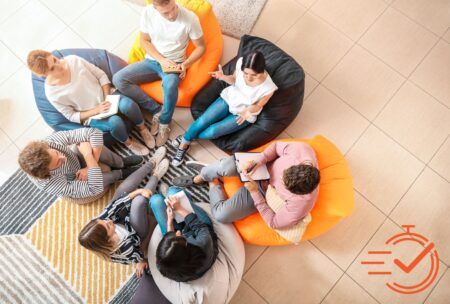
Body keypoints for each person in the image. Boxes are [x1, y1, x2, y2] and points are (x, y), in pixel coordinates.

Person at [113, 0, 206, 147]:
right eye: (165, 13)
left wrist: (185, 64)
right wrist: (161, 60)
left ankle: (164, 122)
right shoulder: (148, 12)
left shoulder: (190, 18)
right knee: (118, 79)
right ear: (155, 8)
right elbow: (144, 40)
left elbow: (201, 47)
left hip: (175, 63)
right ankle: (157, 110)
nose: (171, 15)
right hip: (152, 60)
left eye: (173, 9)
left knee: (170, 84)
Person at [27, 50, 153, 156]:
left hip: (107, 96)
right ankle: (130, 143)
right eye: (52, 68)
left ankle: (143, 129)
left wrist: (107, 96)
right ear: (44, 74)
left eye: (54, 59)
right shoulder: (52, 93)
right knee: (115, 123)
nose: (59, 65)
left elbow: (101, 75)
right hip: (92, 115)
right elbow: (71, 116)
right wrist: (97, 110)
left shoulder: (73, 60)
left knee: (128, 105)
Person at [173, 141, 320, 229]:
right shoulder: (301, 151)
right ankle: (200, 177)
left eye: (284, 183)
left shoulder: (302, 204)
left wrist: (255, 192)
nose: (279, 178)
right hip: (261, 165)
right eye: (284, 174)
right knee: (226, 167)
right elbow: (275, 147)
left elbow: (274, 223)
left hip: (264, 192)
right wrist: (259, 160)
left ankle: (213, 181)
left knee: (221, 215)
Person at [171, 51, 278, 166]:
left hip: (244, 114)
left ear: (261, 71)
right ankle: (184, 145)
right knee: (203, 121)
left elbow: (258, 105)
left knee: (213, 132)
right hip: (229, 98)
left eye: (254, 75)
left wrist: (247, 111)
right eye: (246, 73)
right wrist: (223, 77)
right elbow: (234, 80)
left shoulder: (269, 87)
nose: (248, 78)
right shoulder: (241, 62)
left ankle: (186, 136)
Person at [78, 151, 168, 277]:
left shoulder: (101, 221)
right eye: (108, 226)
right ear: (108, 239)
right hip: (137, 232)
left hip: (122, 216)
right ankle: (156, 176)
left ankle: (150, 163)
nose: (108, 221)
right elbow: (138, 255)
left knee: (122, 190)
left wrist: (138, 191)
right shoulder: (125, 249)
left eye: (103, 221)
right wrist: (141, 261)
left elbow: (116, 205)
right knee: (139, 201)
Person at [18, 128, 147, 201]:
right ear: (48, 172)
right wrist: (88, 157)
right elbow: (94, 188)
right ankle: (119, 174)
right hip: (73, 183)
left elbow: (93, 133)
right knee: (99, 174)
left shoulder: (48, 143)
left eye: (57, 152)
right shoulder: (50, 184)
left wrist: (89, 164)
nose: (63, 157)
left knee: (89, 144)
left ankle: (120, 162)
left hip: (76, 164)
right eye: (58, 162)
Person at [150, 186, 218, 282]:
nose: (178, 232)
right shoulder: (203, 243)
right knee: (173, 192)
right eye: (178, 235)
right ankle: (176, 197)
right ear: (186, 246)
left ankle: (168, 198)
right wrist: (179, 208)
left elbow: (171, 239)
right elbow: (199, 226)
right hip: (200, 228)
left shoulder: (162, 263)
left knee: (155, 200)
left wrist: (169, 220)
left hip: (183, 241)